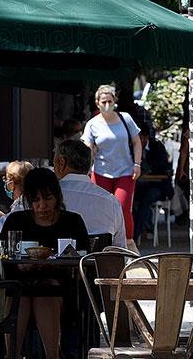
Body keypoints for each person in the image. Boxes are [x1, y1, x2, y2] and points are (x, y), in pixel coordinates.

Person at [0, 169, 89, 359]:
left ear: (57, 197)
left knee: (45, 290)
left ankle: (53, 358)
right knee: (18, 293)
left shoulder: (72, 222)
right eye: (36, 200)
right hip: (20, 284)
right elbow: (3, 255)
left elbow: (84, 257)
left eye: (48, 199)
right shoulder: (16, 222)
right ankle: (12, 356)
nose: (42, 206)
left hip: (62, 291)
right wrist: (20, 264)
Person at [82, 85, 143, 241]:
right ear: (97, 103)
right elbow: (87, 147)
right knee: (101, 209)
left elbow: (137, 142)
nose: (107, 105)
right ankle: (103, 242)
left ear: (115, 101)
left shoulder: (125, 118)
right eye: (103, 102)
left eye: (110, 101)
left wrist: (137, 164)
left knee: (122, 208)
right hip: (101, 172)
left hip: (125, 171)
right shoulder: (92, 124)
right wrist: (86, 167)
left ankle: (129, 244)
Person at [52, 139, 127, 248]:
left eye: (54, 164)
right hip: (98, 264)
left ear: (61, 163)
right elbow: (120, 249)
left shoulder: (47, 198)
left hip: (56, 264)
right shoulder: (110, 201)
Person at [132, 125, 175, 245]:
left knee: (145, 200)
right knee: (132, 200)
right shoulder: (133, 150)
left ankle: (135, 235)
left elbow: (162, 166)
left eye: (140, 138)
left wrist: (147, 166)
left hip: (159, 186)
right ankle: (141, 228)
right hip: (142, 185)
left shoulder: (157, 147)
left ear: (146, 137)